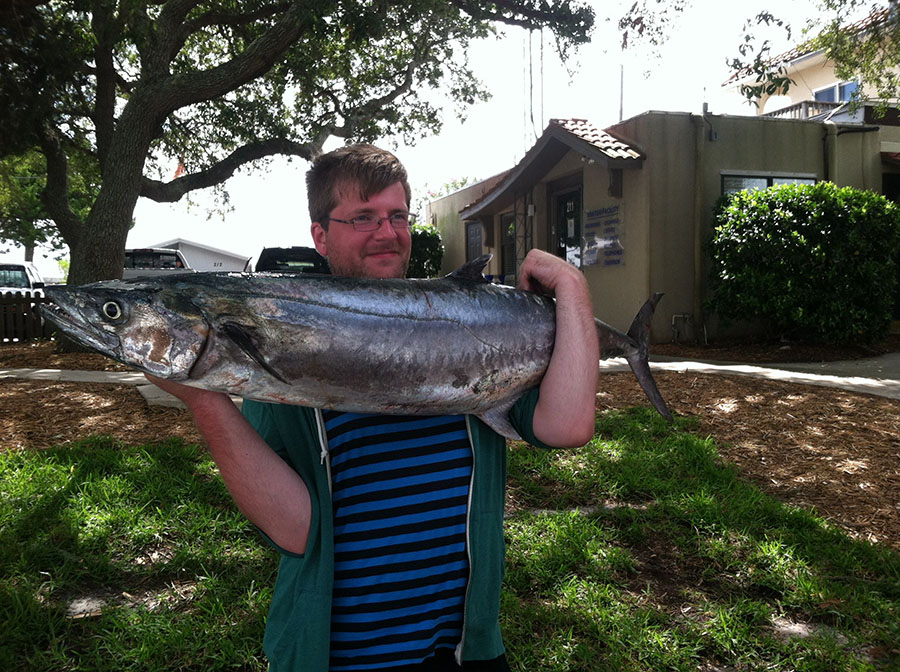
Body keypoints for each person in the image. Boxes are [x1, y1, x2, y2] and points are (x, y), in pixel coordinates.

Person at [147, 144, 599, 672]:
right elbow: (296, 531)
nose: (387, 232)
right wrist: (203, 398)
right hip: (338, 657)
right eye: (363, 217)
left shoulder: (473, 330)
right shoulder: (279, 355)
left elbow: (568, 426)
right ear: (321, 235)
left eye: (397, 215)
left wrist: (572, 288)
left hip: (463, 652)